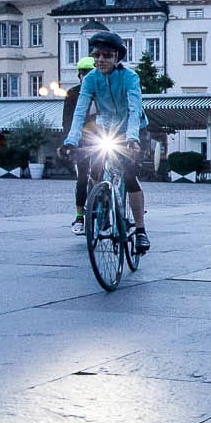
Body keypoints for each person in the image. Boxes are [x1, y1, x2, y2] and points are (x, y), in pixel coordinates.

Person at [61, 31, 151, 255]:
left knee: (129, 176)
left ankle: (140, 230)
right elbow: (80, 112)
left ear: (117, 57)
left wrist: (132, 139)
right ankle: (100, 207)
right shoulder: (90, 79)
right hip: (108, 128)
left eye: (107, 55)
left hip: (132, 128)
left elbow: (134, 109)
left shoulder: (130, 77)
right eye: (97, 55)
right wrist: (71, 141)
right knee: (96, 167)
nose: (101, 59)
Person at [62, 55, 95, 231]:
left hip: (102, 138)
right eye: (84, 73)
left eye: (90, 73)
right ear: (79, 75)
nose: (87, 76)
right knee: (83, 177)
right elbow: (67, 120)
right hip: (81, 140)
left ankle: (111, 206)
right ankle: (80, 215)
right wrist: (69, 143)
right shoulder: (73, 93)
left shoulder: (102, 91)